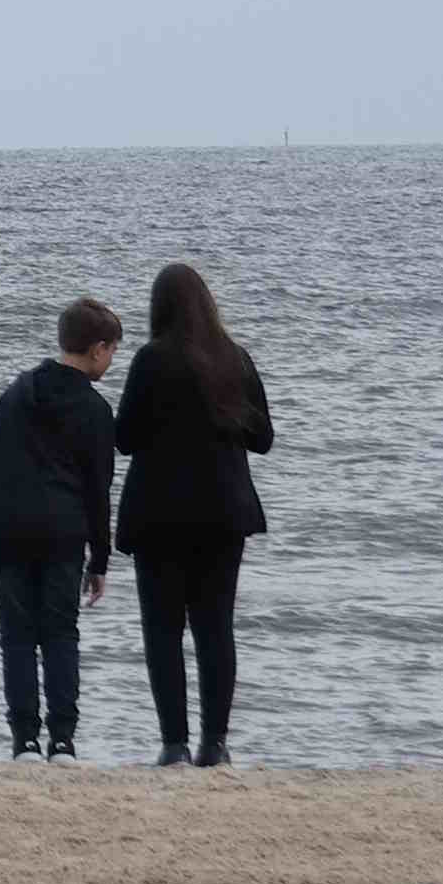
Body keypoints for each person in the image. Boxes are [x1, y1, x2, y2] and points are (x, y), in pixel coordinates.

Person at [114, 261, 277, 768]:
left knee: (162, 628)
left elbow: (124, 438)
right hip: (224, 512)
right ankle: (216, 743)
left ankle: (173, 744)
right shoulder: (236, 360)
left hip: (159, 513)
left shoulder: (150, 360)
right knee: (215, 627)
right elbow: (263, 439)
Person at [0, 299, 122, 760]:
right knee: (61, 633)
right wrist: (99, 559)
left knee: (16, 635)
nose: (112, 360)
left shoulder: (16, 393)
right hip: (63, 531)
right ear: (98, 349)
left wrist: (2, 516)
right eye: (113, 351)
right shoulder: (95, 410)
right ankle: (62, 739)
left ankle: (24, 740)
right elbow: (98, 492)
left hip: (9, 527)